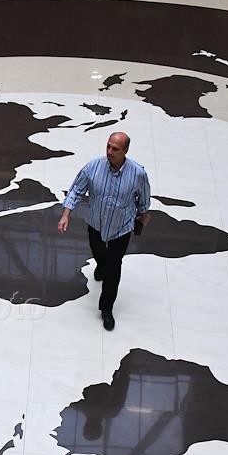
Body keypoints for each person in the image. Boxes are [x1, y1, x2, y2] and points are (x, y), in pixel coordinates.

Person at [57, 131, 151, 331]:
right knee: (99, 253)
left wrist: (143, 217)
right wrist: (66, 215)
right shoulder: (93, 167)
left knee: (113, 268)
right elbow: (76, 191)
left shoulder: (138, 174)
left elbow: (143, 200)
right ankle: (101, 266)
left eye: (115, 149)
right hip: (96, 224)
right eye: (108, 146)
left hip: (121, 228)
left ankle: (106, 309)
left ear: (125, 151)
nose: (109, 151)